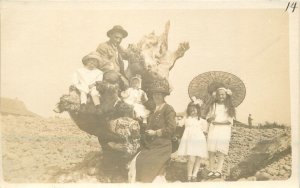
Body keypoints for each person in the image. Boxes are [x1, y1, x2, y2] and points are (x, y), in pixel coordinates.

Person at [128, 79, 176, 183]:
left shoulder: (168, 109)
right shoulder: (153, 110)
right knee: (136, 161)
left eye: (159, 94)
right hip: (151, 144)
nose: (156, 96)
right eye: (155, 94)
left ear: (164, 96)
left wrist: (156, 132)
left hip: (163, 145)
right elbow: (149, 127)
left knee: (147, 164)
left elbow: (172, 128)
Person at [206, 87, 235, 179]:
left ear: (226, 95)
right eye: (219, 94)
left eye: (223, 94)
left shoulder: (229, 107)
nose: (221, 96)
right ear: (216, 95)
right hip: (213, 129)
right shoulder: (213, 105)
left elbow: (229, 121)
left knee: (221, 150)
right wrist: (211, 118)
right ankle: (211, 169)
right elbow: (208, 118)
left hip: (224, 130)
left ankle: (218, 170)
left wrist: (218, 122)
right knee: (211, 150)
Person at [177, 97, 208, 182]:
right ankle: (189, 176)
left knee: (198, 159)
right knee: (191, 159)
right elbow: (179, 124)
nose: (193, 111)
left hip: (199, 141)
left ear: (198, 110)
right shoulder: (187, 119)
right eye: (191, 110)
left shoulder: (202, 121)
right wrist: (185, 114)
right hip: (189, 141)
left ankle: (194, 175)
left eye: (194, 109)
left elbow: (204, 132)